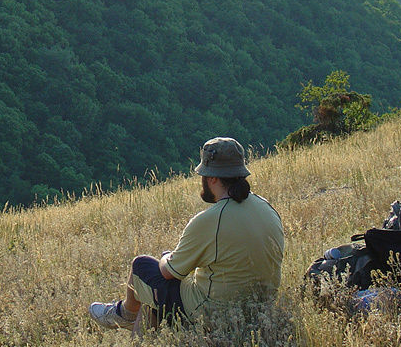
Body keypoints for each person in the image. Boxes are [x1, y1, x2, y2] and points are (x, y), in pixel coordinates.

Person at [88, 136, 285, 333]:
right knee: (153, 298)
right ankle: (143, 346)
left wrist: (166, 257)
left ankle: (124, 314)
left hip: (215, 313)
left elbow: (168, 272)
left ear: (212, 178)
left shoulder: (209, 220)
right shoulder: (266, 207)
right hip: (260, 309)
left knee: (142, 267)